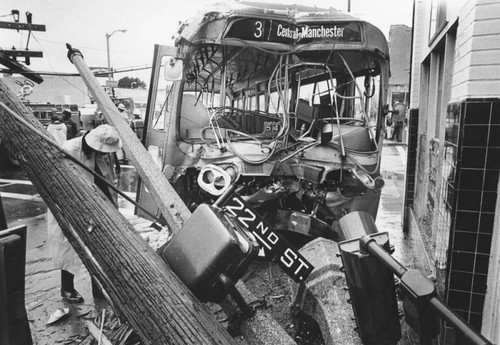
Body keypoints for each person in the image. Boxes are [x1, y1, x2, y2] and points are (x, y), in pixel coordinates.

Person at [48, 124, 122, 303]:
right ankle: (67, 288)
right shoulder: (68, 150)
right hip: (71, 205)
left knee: (100, 249)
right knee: (70, 247)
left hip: (97, 205)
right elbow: (57, 182)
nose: (105, 154)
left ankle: (98, 286)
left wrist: (112, 209)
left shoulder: (102, 154)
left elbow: (106, 181)